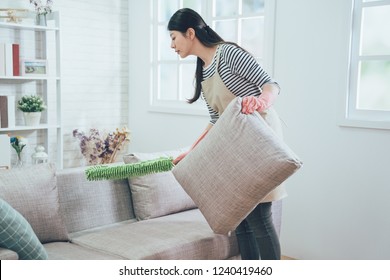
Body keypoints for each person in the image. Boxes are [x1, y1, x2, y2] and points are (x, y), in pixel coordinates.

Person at [168, 8, 287, 260]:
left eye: (173, 37)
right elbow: (215, 120)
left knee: (258, 216)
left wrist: (261, 101)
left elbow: (271, 85)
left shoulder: (228, 54)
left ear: (190, 33)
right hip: (237, 144)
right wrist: (191, 151)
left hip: (260, 138)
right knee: (239, 218)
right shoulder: (204, 70)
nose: (171, 45)